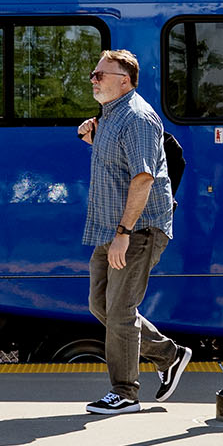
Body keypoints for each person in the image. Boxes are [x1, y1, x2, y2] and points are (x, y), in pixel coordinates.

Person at [72, 48, 190, 414]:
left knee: (121, 309)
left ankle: (125, 392)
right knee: (100, 304)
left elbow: (143, 177)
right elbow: (119, 161)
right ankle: (169, 355)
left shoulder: (137, 118)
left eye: (100, 75)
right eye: (94, 73)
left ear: (124, 81)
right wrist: (91, 134)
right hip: (111, 228)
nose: (93, 79)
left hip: (136, 229)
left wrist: (124, 232)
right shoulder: (110, 117)